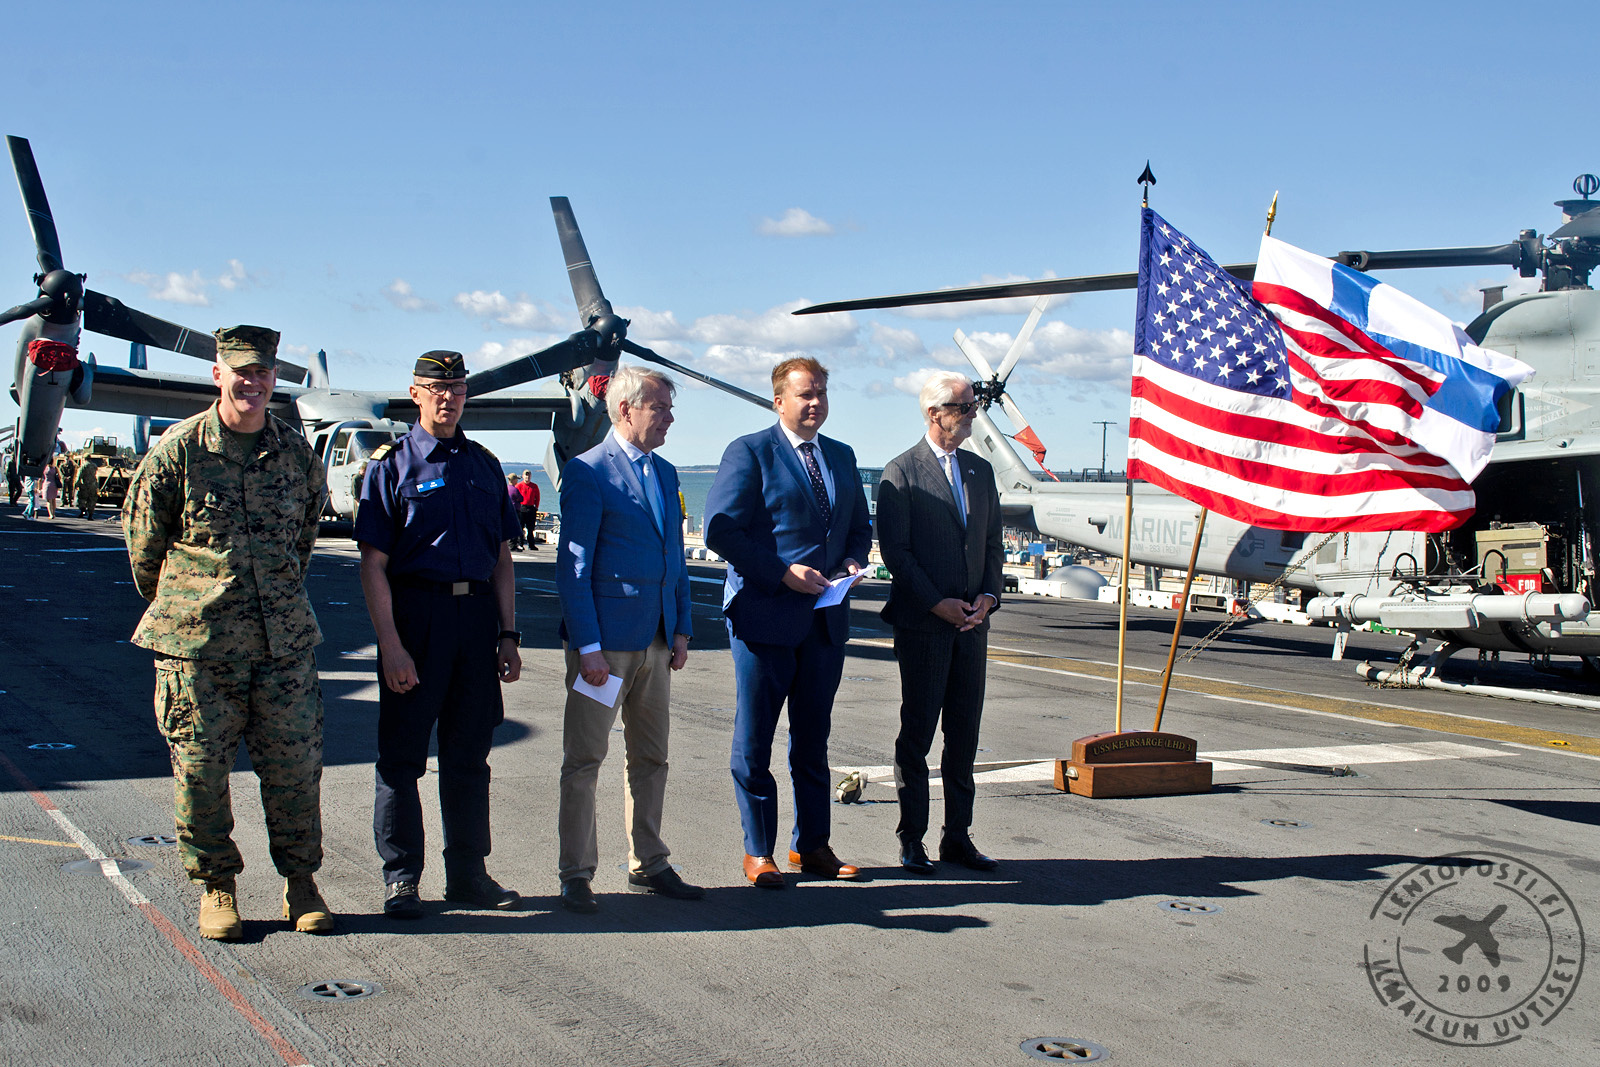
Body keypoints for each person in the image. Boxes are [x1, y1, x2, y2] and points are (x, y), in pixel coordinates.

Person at [121, 324, 333, 941]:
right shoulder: (177, 452)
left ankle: (301, 883)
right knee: (201, 771)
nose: (253, 382)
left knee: (296, 770)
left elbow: (304, 541)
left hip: (284, 645)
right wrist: (190, 605)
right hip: (198, 649)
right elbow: (144, 552)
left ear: (274, 379)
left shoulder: (296, 455)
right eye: (241, 371)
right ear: (219, 373)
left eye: (263, 372)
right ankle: (217, 885)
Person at [355, 349, 523, 919]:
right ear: (416, 393)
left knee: (469, 756)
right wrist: (392, 647)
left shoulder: (484, 465)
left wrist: (508, 634)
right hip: (416, 619)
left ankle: (469, 874)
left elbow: (502, 556)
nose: (446, 397)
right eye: (435, 387)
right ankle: (402, 878)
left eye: (455, 387)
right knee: (402, 757)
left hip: (475, 623)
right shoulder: (391, 465)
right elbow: (372, 564)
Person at [704, 357, 872, 888]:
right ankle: (759, 851)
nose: (815, 402)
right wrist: (782, 573)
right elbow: (721, 531)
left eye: (821, 392)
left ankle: (812, 846)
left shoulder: (841, 457)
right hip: (764, 619)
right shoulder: (750, 451)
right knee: (755, 741)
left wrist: (849, 561)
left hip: (825, 624)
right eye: (805, 394)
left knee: (812, 742)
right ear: (778, 400)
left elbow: (857, 528)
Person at [554, 364, 699, 913]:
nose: (668, 418)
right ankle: (576, 872)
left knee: (652, 758)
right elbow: (574, 568)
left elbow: (674, 558)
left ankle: (650, 862)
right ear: (624, 410)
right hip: (605, 647)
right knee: (585, 758)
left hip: (657, 643)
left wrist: (681, 627)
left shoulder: (664, 472)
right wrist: (587, 647)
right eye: (659, 408)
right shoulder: (589, 473)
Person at [875, 372, 1004, 874]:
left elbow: (992, 543)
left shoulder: (979, 471)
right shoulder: (900, 473)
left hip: (973, 626)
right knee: (918, 734)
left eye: (972, 406)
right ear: (935, 414)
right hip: (925, 627)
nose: (973, 414)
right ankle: (912, 838)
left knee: (964, 735)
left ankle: (958, 836)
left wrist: (988, 598)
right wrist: (938, 604)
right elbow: (897, 554)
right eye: (965, 407)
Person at [516, 470, 541, 551]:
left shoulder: (534, 486)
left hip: (531, 508)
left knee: (530, 528)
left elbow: (537, 497)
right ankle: (520, 544)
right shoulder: (519, 485)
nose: (527, 477)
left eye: (529, 475)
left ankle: (531, 544)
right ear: (523, 476)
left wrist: (536, 507)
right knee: (520, 527)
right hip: (522, 508)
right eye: (526, 475)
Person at [506, 474, 526, 550]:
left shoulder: (506, 488)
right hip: (515, 510)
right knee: (515, 527)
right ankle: (513, 545)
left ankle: (509, 543)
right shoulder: (514, 489)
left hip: (508, 510)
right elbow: (521, 499)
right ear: (513, 480)